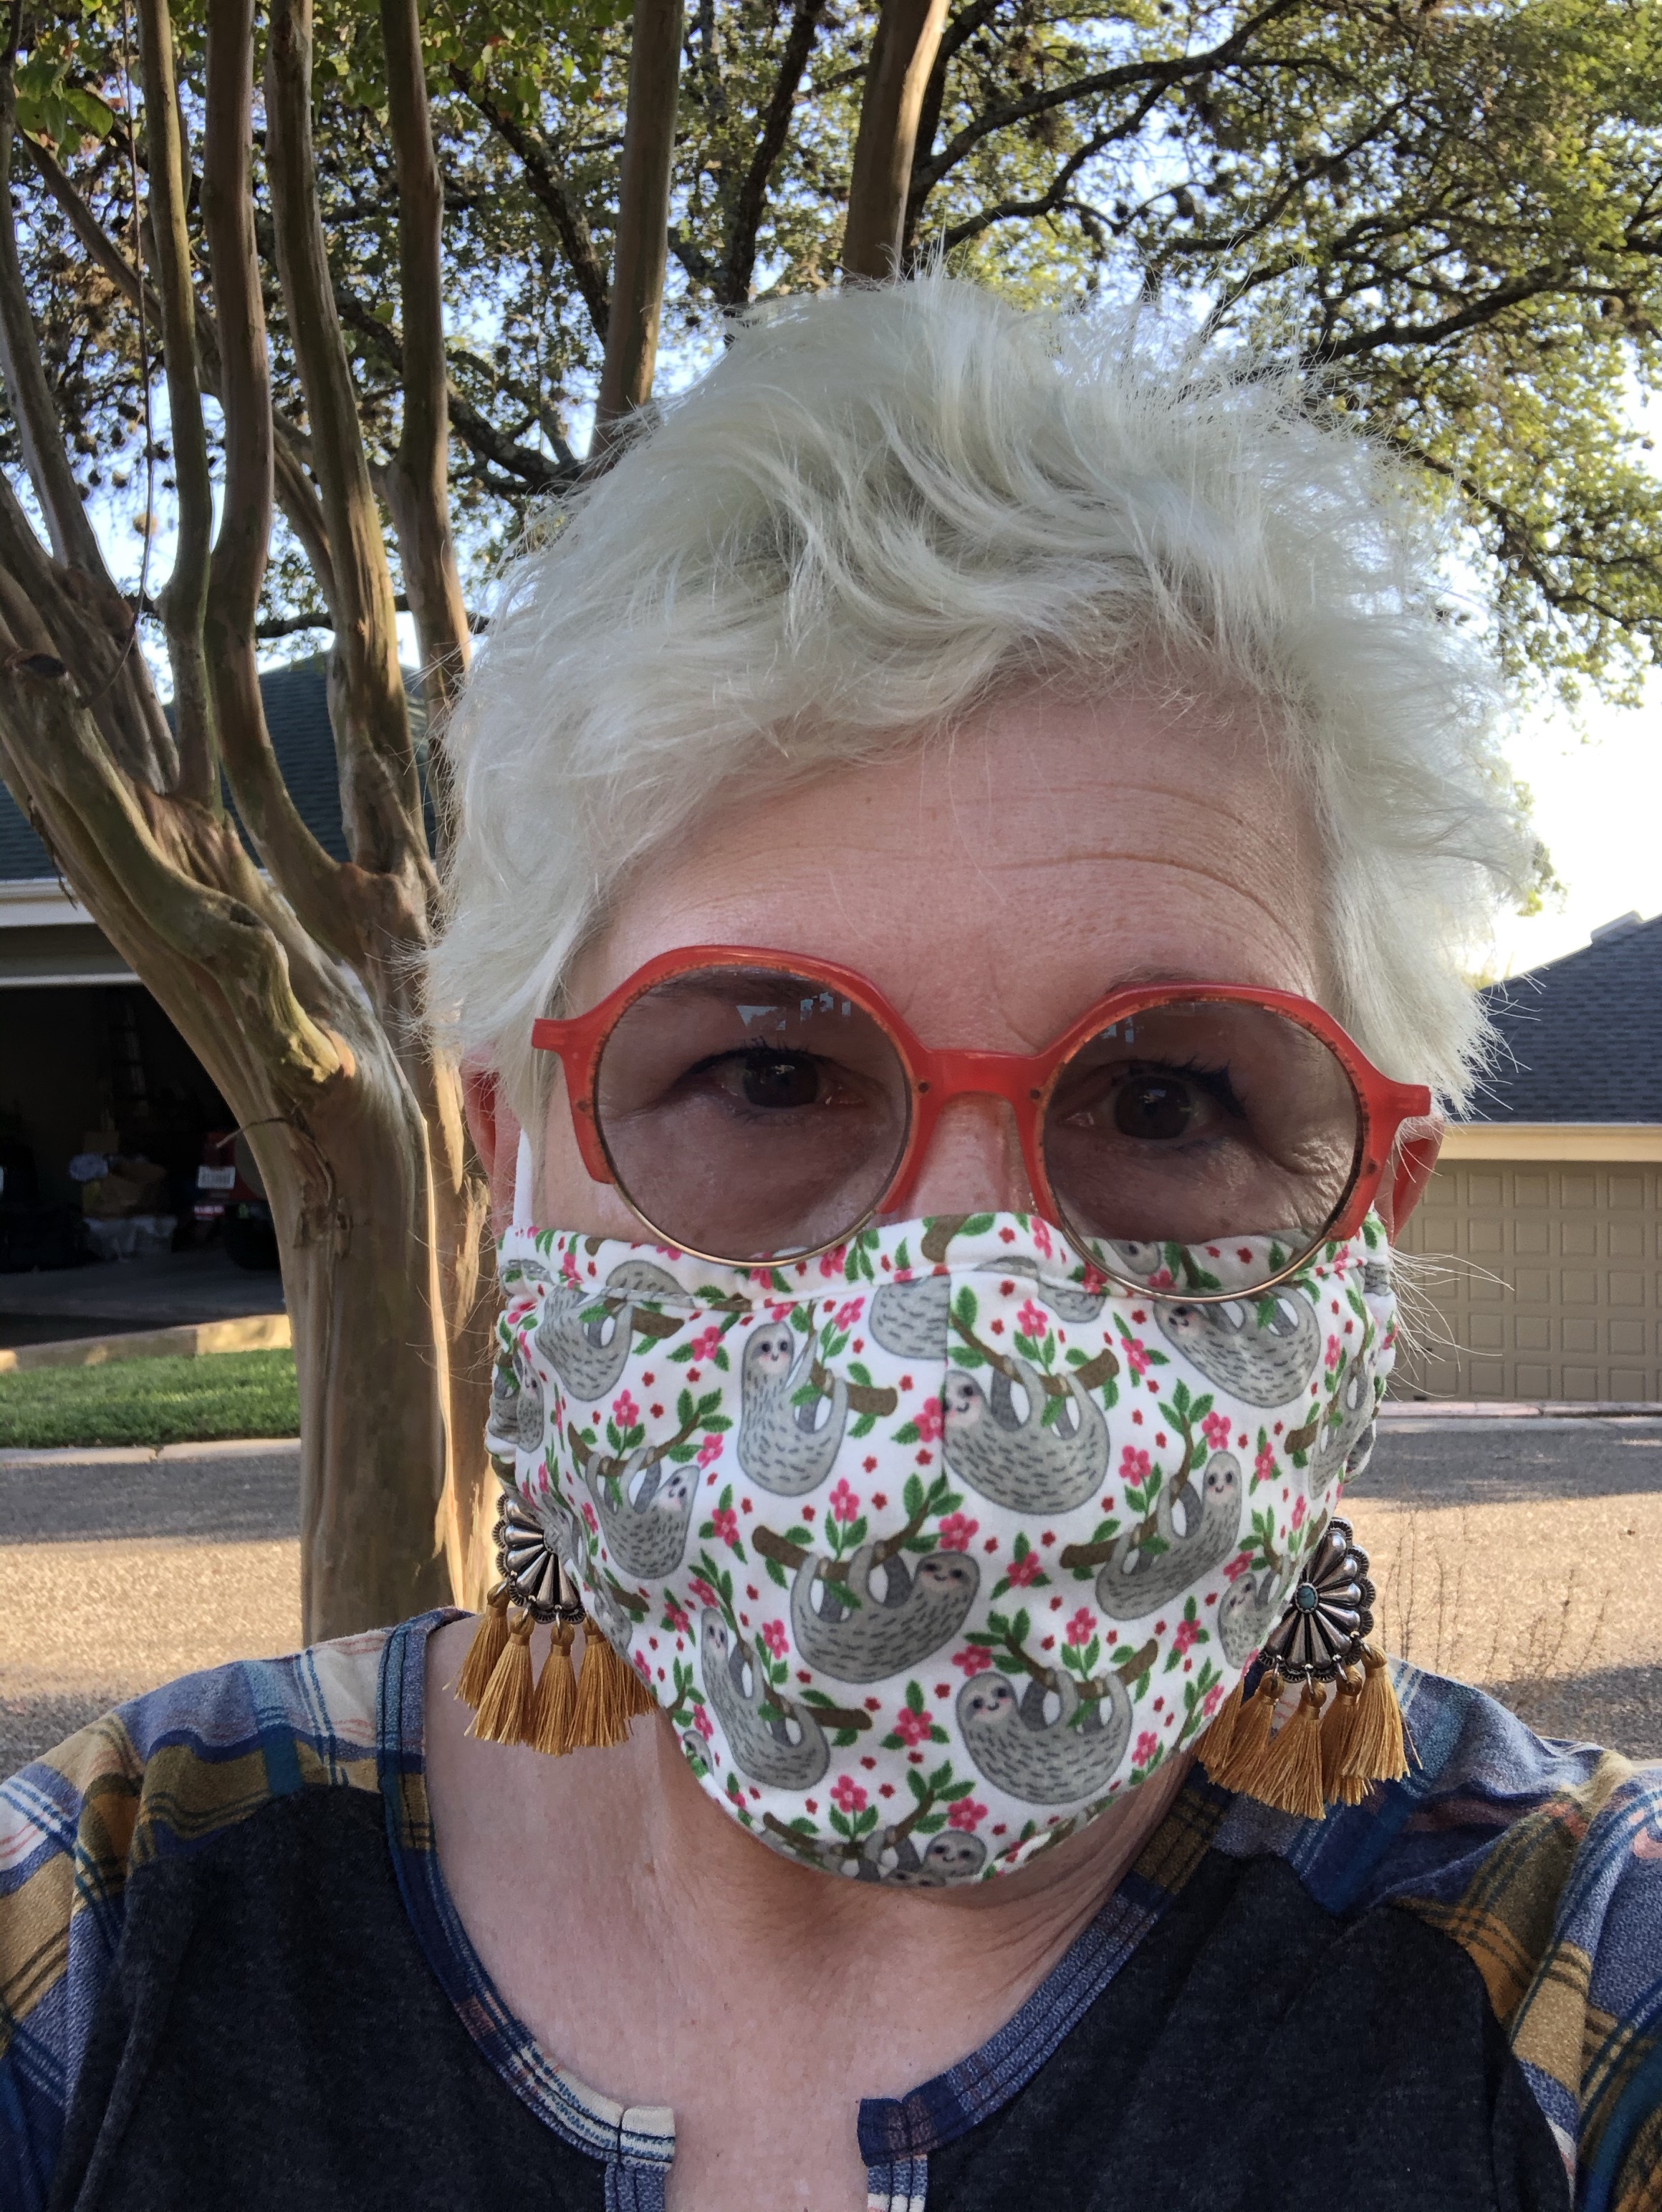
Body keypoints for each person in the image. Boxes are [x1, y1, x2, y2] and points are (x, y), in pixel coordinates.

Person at [4, 277, 1658, 2212]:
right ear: (510, 1161)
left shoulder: (1571, 1988)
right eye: (770, 1074)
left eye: (1165, 1098)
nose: (960, 1336)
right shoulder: (113, 1924)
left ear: (1372, 1205)